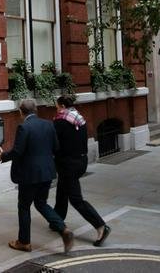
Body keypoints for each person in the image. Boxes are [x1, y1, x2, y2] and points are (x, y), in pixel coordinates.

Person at [0, 99, 74, 253]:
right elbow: (56, 147)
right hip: (47, 172)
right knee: (41, 203)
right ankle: (63, 229)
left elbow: (18, 151)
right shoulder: (48, 124)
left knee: (24, 206)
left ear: (21, 112)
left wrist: (3, 155)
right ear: (36, 110)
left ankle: (24, 242)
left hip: (29, 175)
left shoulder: (24, 127)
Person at [52, 94, 111, 247]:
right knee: (62, 189)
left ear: (62, 106)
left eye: (57, 106)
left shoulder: (60, 121)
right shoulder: (79, 118)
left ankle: (100, 226)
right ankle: (56, 220)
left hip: (68, 164)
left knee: (76, 199)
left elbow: (54, 142)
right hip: (81, 161)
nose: (56, 109)